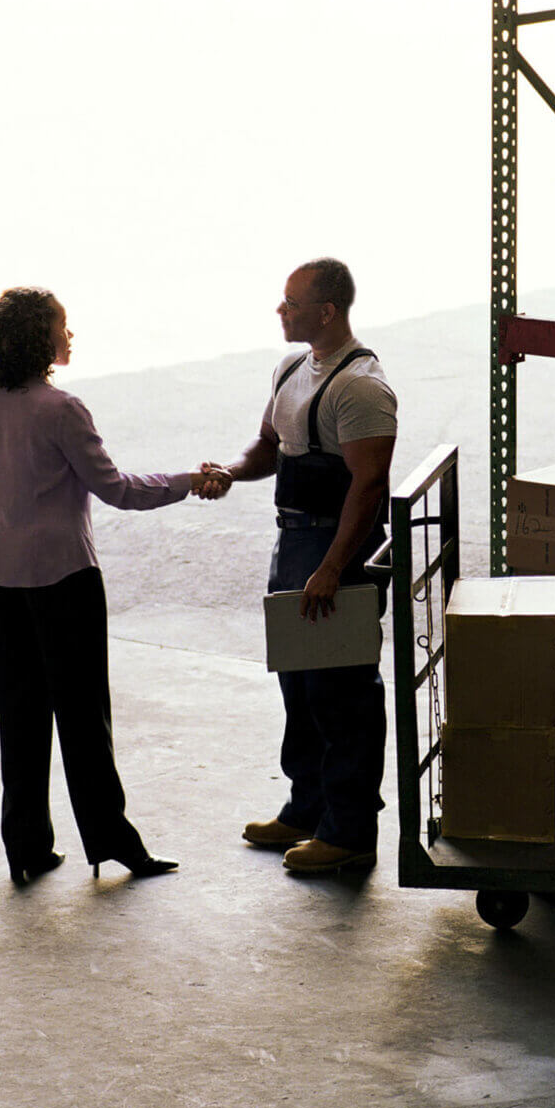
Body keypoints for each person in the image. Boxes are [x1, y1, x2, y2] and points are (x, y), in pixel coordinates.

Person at [0, 286, 228, 886]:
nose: (70, 335)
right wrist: (189, 480)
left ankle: (26, 843)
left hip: (2, 573)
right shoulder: (60, 409)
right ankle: (111, 841)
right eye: (62, 325)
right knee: (84, 717)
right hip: (64, 576)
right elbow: (117, 489)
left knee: (20, 714)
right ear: (40, 336)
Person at [199, 258, 397, 874]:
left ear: (327, 311)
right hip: (292, 544)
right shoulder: (291, 367)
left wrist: (336, 567)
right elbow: (270, 447)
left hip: (334, 549)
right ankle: (306, 808)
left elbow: (367, 488)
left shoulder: (360, 388)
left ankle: (350, 831)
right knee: (299, 687)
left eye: (291, 302)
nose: (279, 311)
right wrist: (232, 471)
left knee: (341, 693)